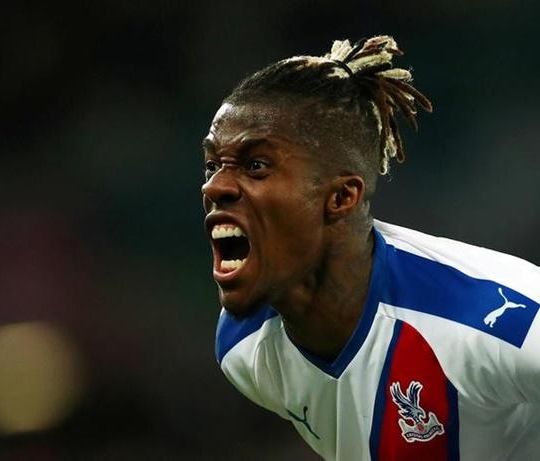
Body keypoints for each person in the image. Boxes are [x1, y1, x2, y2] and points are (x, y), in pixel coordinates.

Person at [201, 35, 540, 460]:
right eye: (212, 164)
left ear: (342, 198)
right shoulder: (244, 348)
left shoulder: (496, 317)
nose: (215, 186)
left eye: (255, 165)